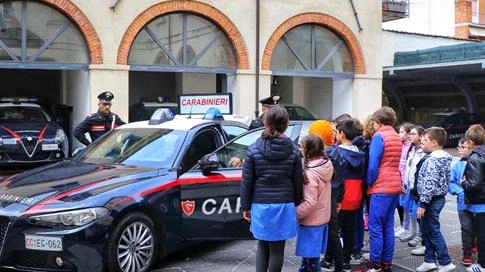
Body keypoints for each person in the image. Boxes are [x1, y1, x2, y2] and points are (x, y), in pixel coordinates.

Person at [240, 106, 303, 272]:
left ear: (265, 122)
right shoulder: (293, 149)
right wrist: (297, 202)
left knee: (262, 245)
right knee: (277, 249)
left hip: (260, 204)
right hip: (284, 203)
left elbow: (247, 181)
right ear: (286, 125)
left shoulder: (253, 148)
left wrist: (245, 206)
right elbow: (297, 180)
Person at [325, 118, 365, 272]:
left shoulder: (336, 152)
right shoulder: (360, 154)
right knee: (350, 230)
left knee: (334, 231)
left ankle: (331, 259)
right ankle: (347, 259)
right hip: (356, 195)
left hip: (340, 196)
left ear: (341, 134)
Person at [366, 106, 402, 272]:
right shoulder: (396, 136)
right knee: (388, 226)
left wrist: (369, 182)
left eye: (373, 122)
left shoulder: (378, 136)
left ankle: (375, 263)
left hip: (381, 186)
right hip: (395, 185)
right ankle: (386, 262)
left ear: (378, 122)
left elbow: (373, 164)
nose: (372, 125)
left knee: (375, 226)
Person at [415, 127, 455, 272]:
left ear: (434, 143)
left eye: (424, 141)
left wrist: (423, 203)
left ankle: (445, 262)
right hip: (435, 199)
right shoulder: (443, 157)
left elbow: (429, 183)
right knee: (427, 230)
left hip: (431, 201)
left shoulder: (433, 160)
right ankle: (429, 260)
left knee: (432, 231)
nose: (421, 143)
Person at [296, 134, 334, 272]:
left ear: (307, 150)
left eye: (301, 146)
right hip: (322, 219)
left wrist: (295, 213)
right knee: (310, 258)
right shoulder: (326, 165)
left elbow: (310, 202)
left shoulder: (311, 173)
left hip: (311, 221)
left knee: (311, 261)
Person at [449, 136, 476, 266]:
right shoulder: (457, 165)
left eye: (462, 147)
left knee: (477, 226)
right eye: (458, 147)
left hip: (478, 202)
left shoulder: (478, 162)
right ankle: (466, 251)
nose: (459, 150)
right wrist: (459, 191)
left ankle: (474, 243)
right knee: (466, 227)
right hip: (463, 202)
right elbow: (451, 183)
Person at [461, 124, 485, 272]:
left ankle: (482, 264)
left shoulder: (475, 157)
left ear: (470, 142)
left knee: (481, 236)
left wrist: (464, 183)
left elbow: (474, 183)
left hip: (479, 202)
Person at [396, 122, 414, 241]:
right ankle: (403, 225)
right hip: (399, 179)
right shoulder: (401, 145)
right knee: (401, 204)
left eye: (402, 132)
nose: (399, 134)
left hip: (405, 181)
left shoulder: (410, 147)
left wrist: (403, 181)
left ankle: (408, 228)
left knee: (407, 206)